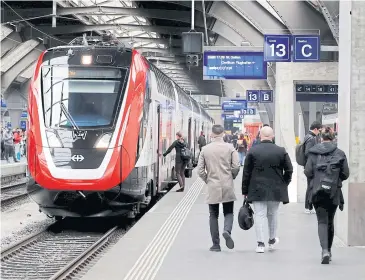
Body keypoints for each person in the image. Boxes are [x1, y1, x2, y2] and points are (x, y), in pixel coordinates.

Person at [242, 126, 293, 253]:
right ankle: (271, 240)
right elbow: (289, 169)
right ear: (272, 136)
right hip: (276, 188)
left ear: (260, 136)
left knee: (259, 215)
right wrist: (284, 183)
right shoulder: (281, 151)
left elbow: (246, 173)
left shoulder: (253, 151)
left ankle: (260, 244)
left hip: (257, 188)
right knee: (273, 214)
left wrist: (245, 190)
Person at [304, 127, 349, 264]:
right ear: (333, 138)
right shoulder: (340, 153)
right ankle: (329, 250)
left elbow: (308, 171)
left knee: (322, 221)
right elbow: (345, 174)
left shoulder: (313, 153)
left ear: (321, 137)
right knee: (330, 220)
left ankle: (324, 250)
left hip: (317, 191)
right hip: (333, 192)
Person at [198, 124, 240, 252]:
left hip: (213, 185)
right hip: (227, 184)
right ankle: (227, 230)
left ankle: (216, 245)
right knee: (228, 212)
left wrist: (208, 180)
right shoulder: (230, 148)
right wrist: (231, 176)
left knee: (213, 215)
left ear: (211, 134)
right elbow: (236, 166)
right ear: (223, 134)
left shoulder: (205, 149)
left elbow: (200, 171)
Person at [304, 121, 323, 214]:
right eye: (319, 130)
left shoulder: (307, 136)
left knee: (311, 185)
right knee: (311, 186)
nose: (319, 132)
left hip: (309, 165)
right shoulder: (311, 138)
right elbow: (307, 152)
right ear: (315, 129)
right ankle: (308, 206)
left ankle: (309, 206)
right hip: (311, 166)